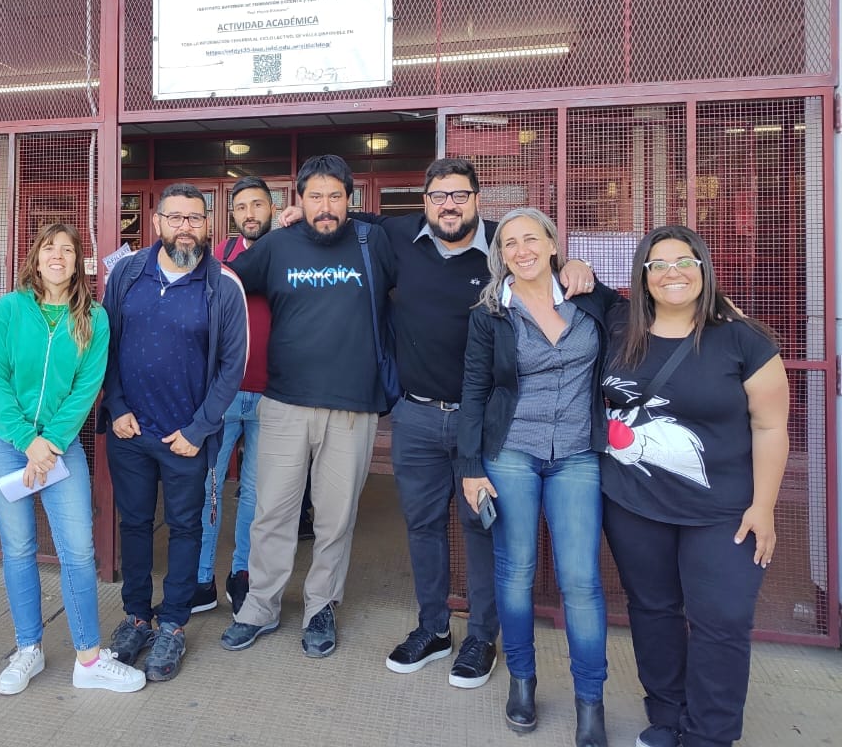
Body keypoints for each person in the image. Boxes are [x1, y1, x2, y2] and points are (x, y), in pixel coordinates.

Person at [286, 158, 592, 686]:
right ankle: (433, 628)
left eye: (459, 195)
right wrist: (298, 212)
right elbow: (347, 218)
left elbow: (543, 260)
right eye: (438, 196)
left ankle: (482, 637)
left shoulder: (503, 246)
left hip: (487, 423)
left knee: (480, 527)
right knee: (423, 526)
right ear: (425, 201)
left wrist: (576, 264)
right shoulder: (399, 236)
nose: (449, 205)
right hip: (417, 416)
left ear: (477, 198)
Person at [600, 226, 789, 747]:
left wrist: (764, 506)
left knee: (721, 619)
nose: (672, 273)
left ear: (703, 268)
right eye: (658, 265)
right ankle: (667, 714)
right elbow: (569, 286)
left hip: (723, 510)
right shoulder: (619, 325)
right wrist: (571, 268)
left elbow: (770, 427)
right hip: (634, 503)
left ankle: (710, 734)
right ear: (642, 276)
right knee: (653, 609)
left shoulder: (744, 340)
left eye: (684, 262)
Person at [220, 154, 396, 659]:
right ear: (298, 199)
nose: (325, 207)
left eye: (336, 196)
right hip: (284, 404)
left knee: (335, 518)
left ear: (350, 200)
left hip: (353, 407)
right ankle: (260, 605)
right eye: (315, 197)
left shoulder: (372, 242)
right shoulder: (276, 246)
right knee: (272, 513)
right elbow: (221, 286)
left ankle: (321, 606)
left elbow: (431, 230)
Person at [458, 208, 618, 746]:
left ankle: (590, 701)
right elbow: (474, 391)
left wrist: (585, 268)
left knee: (581, 580)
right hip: (511, 452)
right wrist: (470, 467)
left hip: (576, 453)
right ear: (500, 255)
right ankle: (522, 682)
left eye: (531, 238)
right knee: (515, 572)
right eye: (509, 243)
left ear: (552, 243)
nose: (521, 250)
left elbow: (651, 310)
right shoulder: (491, 314)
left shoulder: (588, 297)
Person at [0, 223, 145, 696]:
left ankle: (88, 659)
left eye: (67, 250)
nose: (58, 256)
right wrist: (26, 441)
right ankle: (28, 649)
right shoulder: (9, 309)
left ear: (77, 263)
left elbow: (86, 389)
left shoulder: (93, 318)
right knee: (19, 549)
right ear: (36, 257)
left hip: (61, 446)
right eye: (49, 248)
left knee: (78, 550)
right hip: (3, 443)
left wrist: (48, 444)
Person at [99, 183, 248, 682]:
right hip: (130, 433)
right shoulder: (127, 273)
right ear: (157, 222)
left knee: (186, 528)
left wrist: (199, 429)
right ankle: (137, 616)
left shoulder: (223, 285)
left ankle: (173, 624)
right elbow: (105, 344)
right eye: (176, 217)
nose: (186, 227)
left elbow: (232, 367)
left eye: (195, 218)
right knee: (135, 525)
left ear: (207, 225)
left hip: (186, 439)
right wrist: (116, 406)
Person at [193, 176, 275, 616]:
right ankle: (202, 578)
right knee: (208, 488)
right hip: (222, 394)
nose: (249, 213)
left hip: (272, 396)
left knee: (255, 496)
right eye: (241, 206)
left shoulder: (287, 252)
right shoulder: (219, 257)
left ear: (272, 208)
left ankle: (242, 573)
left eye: (257, 204)